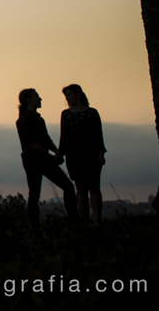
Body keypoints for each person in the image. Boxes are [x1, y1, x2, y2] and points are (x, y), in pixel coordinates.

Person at [16, 88, 78, 232]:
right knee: (35, 195)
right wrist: (51, 156)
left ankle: (74, 221)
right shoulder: (23, 121)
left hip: (44, 160)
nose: (40, 99)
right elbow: (31, 144)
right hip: (33, 161)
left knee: (68, 187)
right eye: (37, 96)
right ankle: (36, 229)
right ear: (29, 100)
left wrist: (58, 152)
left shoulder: (39, 119)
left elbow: (46, 139)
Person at [59, 84, 106, 225]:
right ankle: (85, 222)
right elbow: (64, 136)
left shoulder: (92, 113)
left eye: (69, 95)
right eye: (66, 96)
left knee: (94, 186)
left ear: (78, 95)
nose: (67, 99)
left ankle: (97, 221)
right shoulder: (66, 114)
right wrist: (60, 153)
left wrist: (101, 153)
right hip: (74, 156)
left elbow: (98, 135)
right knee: (80, 188)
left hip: (91, 154)